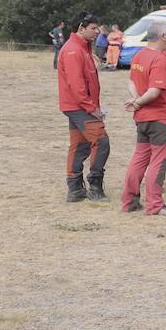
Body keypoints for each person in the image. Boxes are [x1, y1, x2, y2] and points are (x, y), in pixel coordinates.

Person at [120, 20, 166, 216]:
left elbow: (132, 81)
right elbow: (155, 90)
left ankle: (129, 201)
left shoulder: (139, 55)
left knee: (139, 159)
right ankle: (155, 205)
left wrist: (136, 99)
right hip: (162, 119)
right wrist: (138, 102)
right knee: (159, 162)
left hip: (144, 119)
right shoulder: (159, 59)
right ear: (163, 36)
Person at [57, 12, 110, 202]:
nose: (97, 32)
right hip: (79, 106)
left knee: (80, 145)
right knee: (102, 143)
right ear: (81, 27)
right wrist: (92, 108)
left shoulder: (83, 48)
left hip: (77, 106)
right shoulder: (73, 50)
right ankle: (94, 187)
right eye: (93, 28)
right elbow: (77, 86)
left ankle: (75, 190)